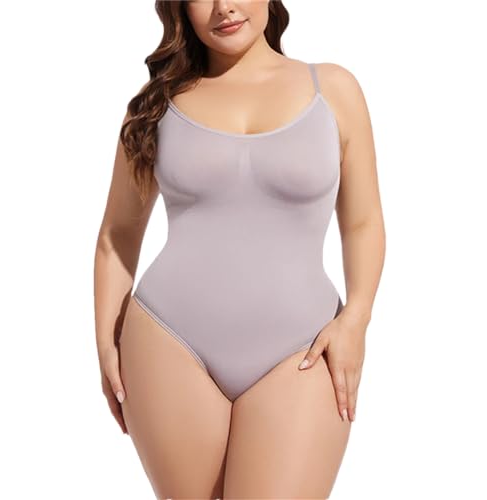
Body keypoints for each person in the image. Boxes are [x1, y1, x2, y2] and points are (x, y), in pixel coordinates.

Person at [93, 0, 385, 497]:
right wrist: (105, 342)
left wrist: (356, 318)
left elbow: (362, 222)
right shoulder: (156, 105)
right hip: (168, 343)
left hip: (304, 348)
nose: (223, 7)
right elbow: (118, 233)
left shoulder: (333, 89)